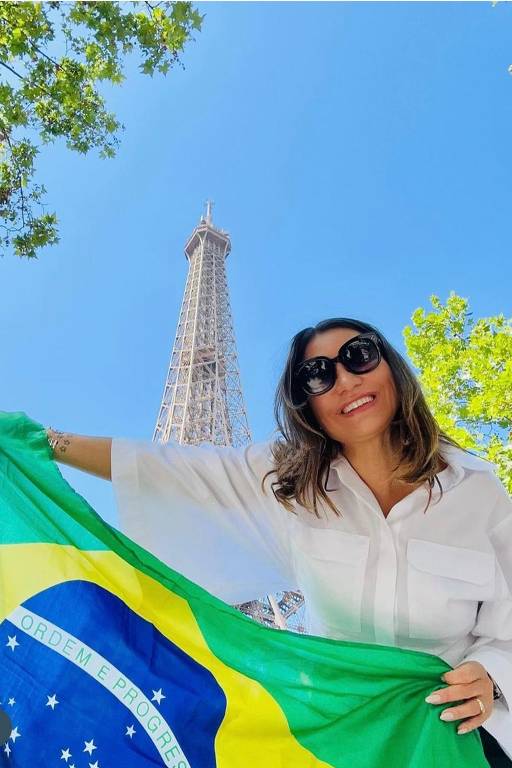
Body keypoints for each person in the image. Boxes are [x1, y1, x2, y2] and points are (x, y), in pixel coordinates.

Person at [47, 317, 512, 766]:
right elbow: (168, 468)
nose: (345, 380)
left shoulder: (477, 492)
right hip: (341, 736)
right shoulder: (290, 485)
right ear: (306, 405)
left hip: (454, 731)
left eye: (359, 356)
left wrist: (490, 676)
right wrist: (47, 441)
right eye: (317, 375)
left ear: (390, 366)